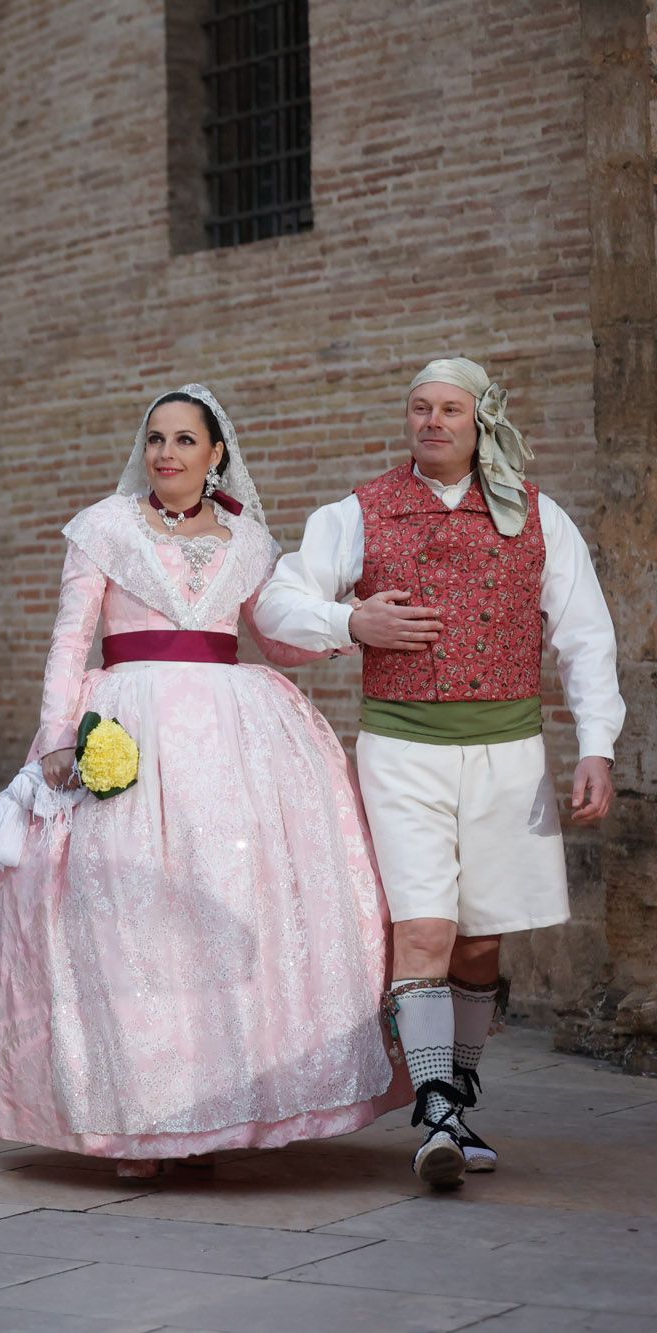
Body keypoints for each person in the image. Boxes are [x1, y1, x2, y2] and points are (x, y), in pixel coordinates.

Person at [0, 384, 401, 1177]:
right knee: (128, 923)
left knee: (230, 908)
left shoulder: (250, 540)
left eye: (183, 439)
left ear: (215, 455)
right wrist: (58, 736)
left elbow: (277, 638)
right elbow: (71, 642)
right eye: (155, 438)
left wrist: (347, 626)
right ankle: (137, 1123)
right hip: (128, 728)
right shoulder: (103, 527)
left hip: (237, 738)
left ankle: (214, 1113)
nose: (165, 452)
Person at [254, 358, 622, 1189]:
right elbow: (277, 601)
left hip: (510, 750)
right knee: (423, 927)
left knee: (482, 938)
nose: (432, 422)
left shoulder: (536, 513)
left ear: (480, 419)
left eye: (449, 409)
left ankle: (456, 1086)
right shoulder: (360, 509)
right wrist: (352, 619)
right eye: (420, 408)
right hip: (402, 747)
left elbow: (585, 635)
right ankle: (436, 1114)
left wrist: (595, 743)